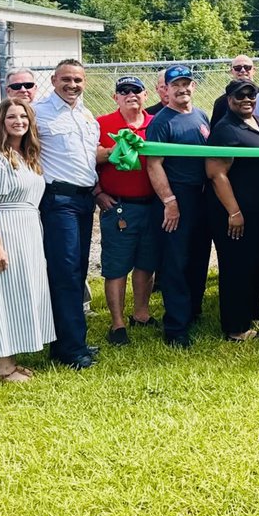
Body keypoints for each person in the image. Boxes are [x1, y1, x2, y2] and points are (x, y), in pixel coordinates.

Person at [0, 99, 56, 382]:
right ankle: (3, 370)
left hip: (26, 232)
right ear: (0, 122)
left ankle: (11, 362)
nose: (18, 122)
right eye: (11, 117)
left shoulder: (27, 155)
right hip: (1, 232)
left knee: (16, 295)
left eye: (23, 117)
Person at [30, 59, 100, 370]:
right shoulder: (38, 113)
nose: (72, 85)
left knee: (76, 272)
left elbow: (87, 157)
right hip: (58, 201)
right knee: (67, 273)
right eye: (66, 79)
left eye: (78, 80)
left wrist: (123, 148)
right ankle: (72, 350)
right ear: (53, 79)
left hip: (85, 201)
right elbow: (14, 144)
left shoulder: (86, 115)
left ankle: (69, 342)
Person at [144, 65, 212, 349]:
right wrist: (169, 202)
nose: (182, 89)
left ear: (193, 86)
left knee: (198, 256)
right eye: (176, 85)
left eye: (186, 84)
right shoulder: (161, 121)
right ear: (166, 90)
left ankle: (192, 311)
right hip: (178, 196)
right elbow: (153, 164)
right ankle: (175, 328)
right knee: (176, 262)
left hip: (202, 195)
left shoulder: (201, 115)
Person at [206, 79, 259, 341]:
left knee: (255, 263)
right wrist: (234, 212)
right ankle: (236, 328)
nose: (247, 99)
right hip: (234, 211)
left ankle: (250, 315)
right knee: (237, 265)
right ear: (228, 99)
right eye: (240, 96)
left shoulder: (257, 122)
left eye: (251, 94)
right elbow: (216, 173)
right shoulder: (225, 130)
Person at [94, 76, 158, 345]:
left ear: (146, 96)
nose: (130, 94)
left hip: (151, 205)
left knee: (146, 263)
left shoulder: (156, 124)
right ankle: (118, 324)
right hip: (118, 206)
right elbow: (86, 158)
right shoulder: (101, 124)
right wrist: (97, 193)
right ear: (115, 97)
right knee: (117, 267)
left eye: (136, 90)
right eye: (124, 91)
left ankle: (141, 313)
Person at [210, 55, 258, 126]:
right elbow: (216, 130)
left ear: (254, 70)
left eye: (247, 67)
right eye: (237, 68)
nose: (243, 70)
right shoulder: (221, 102)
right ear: (231, 72)